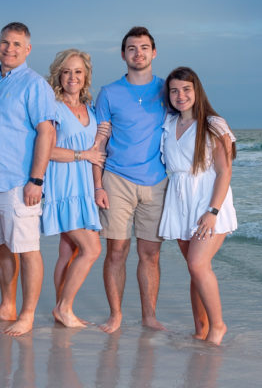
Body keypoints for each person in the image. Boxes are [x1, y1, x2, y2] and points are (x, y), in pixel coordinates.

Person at [0, 22, 57, 336]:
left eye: (17, 44)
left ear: (28, 49)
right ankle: (7, 305)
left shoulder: (35, 85)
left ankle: (28, 314)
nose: (10, 49)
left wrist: (36, 180)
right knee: (1, 247)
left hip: (17, 183)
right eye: (5, 43)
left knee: (26, 248)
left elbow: (47, 131)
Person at [93, 26, 169, 333]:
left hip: (157, 181)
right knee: (117, 251)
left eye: (144, 48)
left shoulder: (168, 90)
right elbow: (98, 144)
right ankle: (116, 315)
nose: (138, 53)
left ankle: (149, 316)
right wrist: (97, 185)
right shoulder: (109, 93)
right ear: (123, 54)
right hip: (116, 180)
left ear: (154, 52)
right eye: (132, 48)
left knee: (150, 254)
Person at [159, 66, 237, 345]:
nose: (180, 95)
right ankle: (200, 329)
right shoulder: (167, 125)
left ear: (197, 91)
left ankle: (218, 326)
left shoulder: (214, 124)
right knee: (195, 270)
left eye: (186, 89)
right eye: (174, 90)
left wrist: (212, 212)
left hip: (208, 202)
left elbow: (225, 171)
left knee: (197, 264)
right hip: (180, 201)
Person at [42, 49, 107, 328]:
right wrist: (84, 155)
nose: (72, 77)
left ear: (86, 76)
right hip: (62, 187)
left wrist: (98, 187)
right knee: (92, 250)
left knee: (68, 252)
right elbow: (47, 150)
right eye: (67, 71)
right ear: (58, 74)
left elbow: (97, 154)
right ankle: (64, 308)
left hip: (84, 190)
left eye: (78, 71)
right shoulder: (52, 108)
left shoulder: (91, 110)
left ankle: (61, 309)